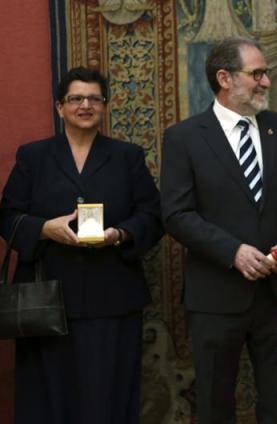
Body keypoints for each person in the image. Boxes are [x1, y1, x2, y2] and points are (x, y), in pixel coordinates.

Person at [0, 66, 164, 424]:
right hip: (46, 299)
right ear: (60, 107)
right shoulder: (33, 156)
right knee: (47, 400)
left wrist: (119, 234)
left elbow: (153, 216)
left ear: (105, 106)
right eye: (76, 98)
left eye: (94, 98)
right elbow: (8, 215)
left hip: (112, 297)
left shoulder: (128, 157)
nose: (85, 105)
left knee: (108, 396)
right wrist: (44, 229)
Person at [160, 37, 277, 423]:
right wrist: (233, 252)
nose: (266, 82)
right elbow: (176, 214)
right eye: (256, 73)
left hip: (276, 297)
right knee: (214, 405)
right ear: (224, 78)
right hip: (215, 296)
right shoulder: (185, 138)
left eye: (266, 73)